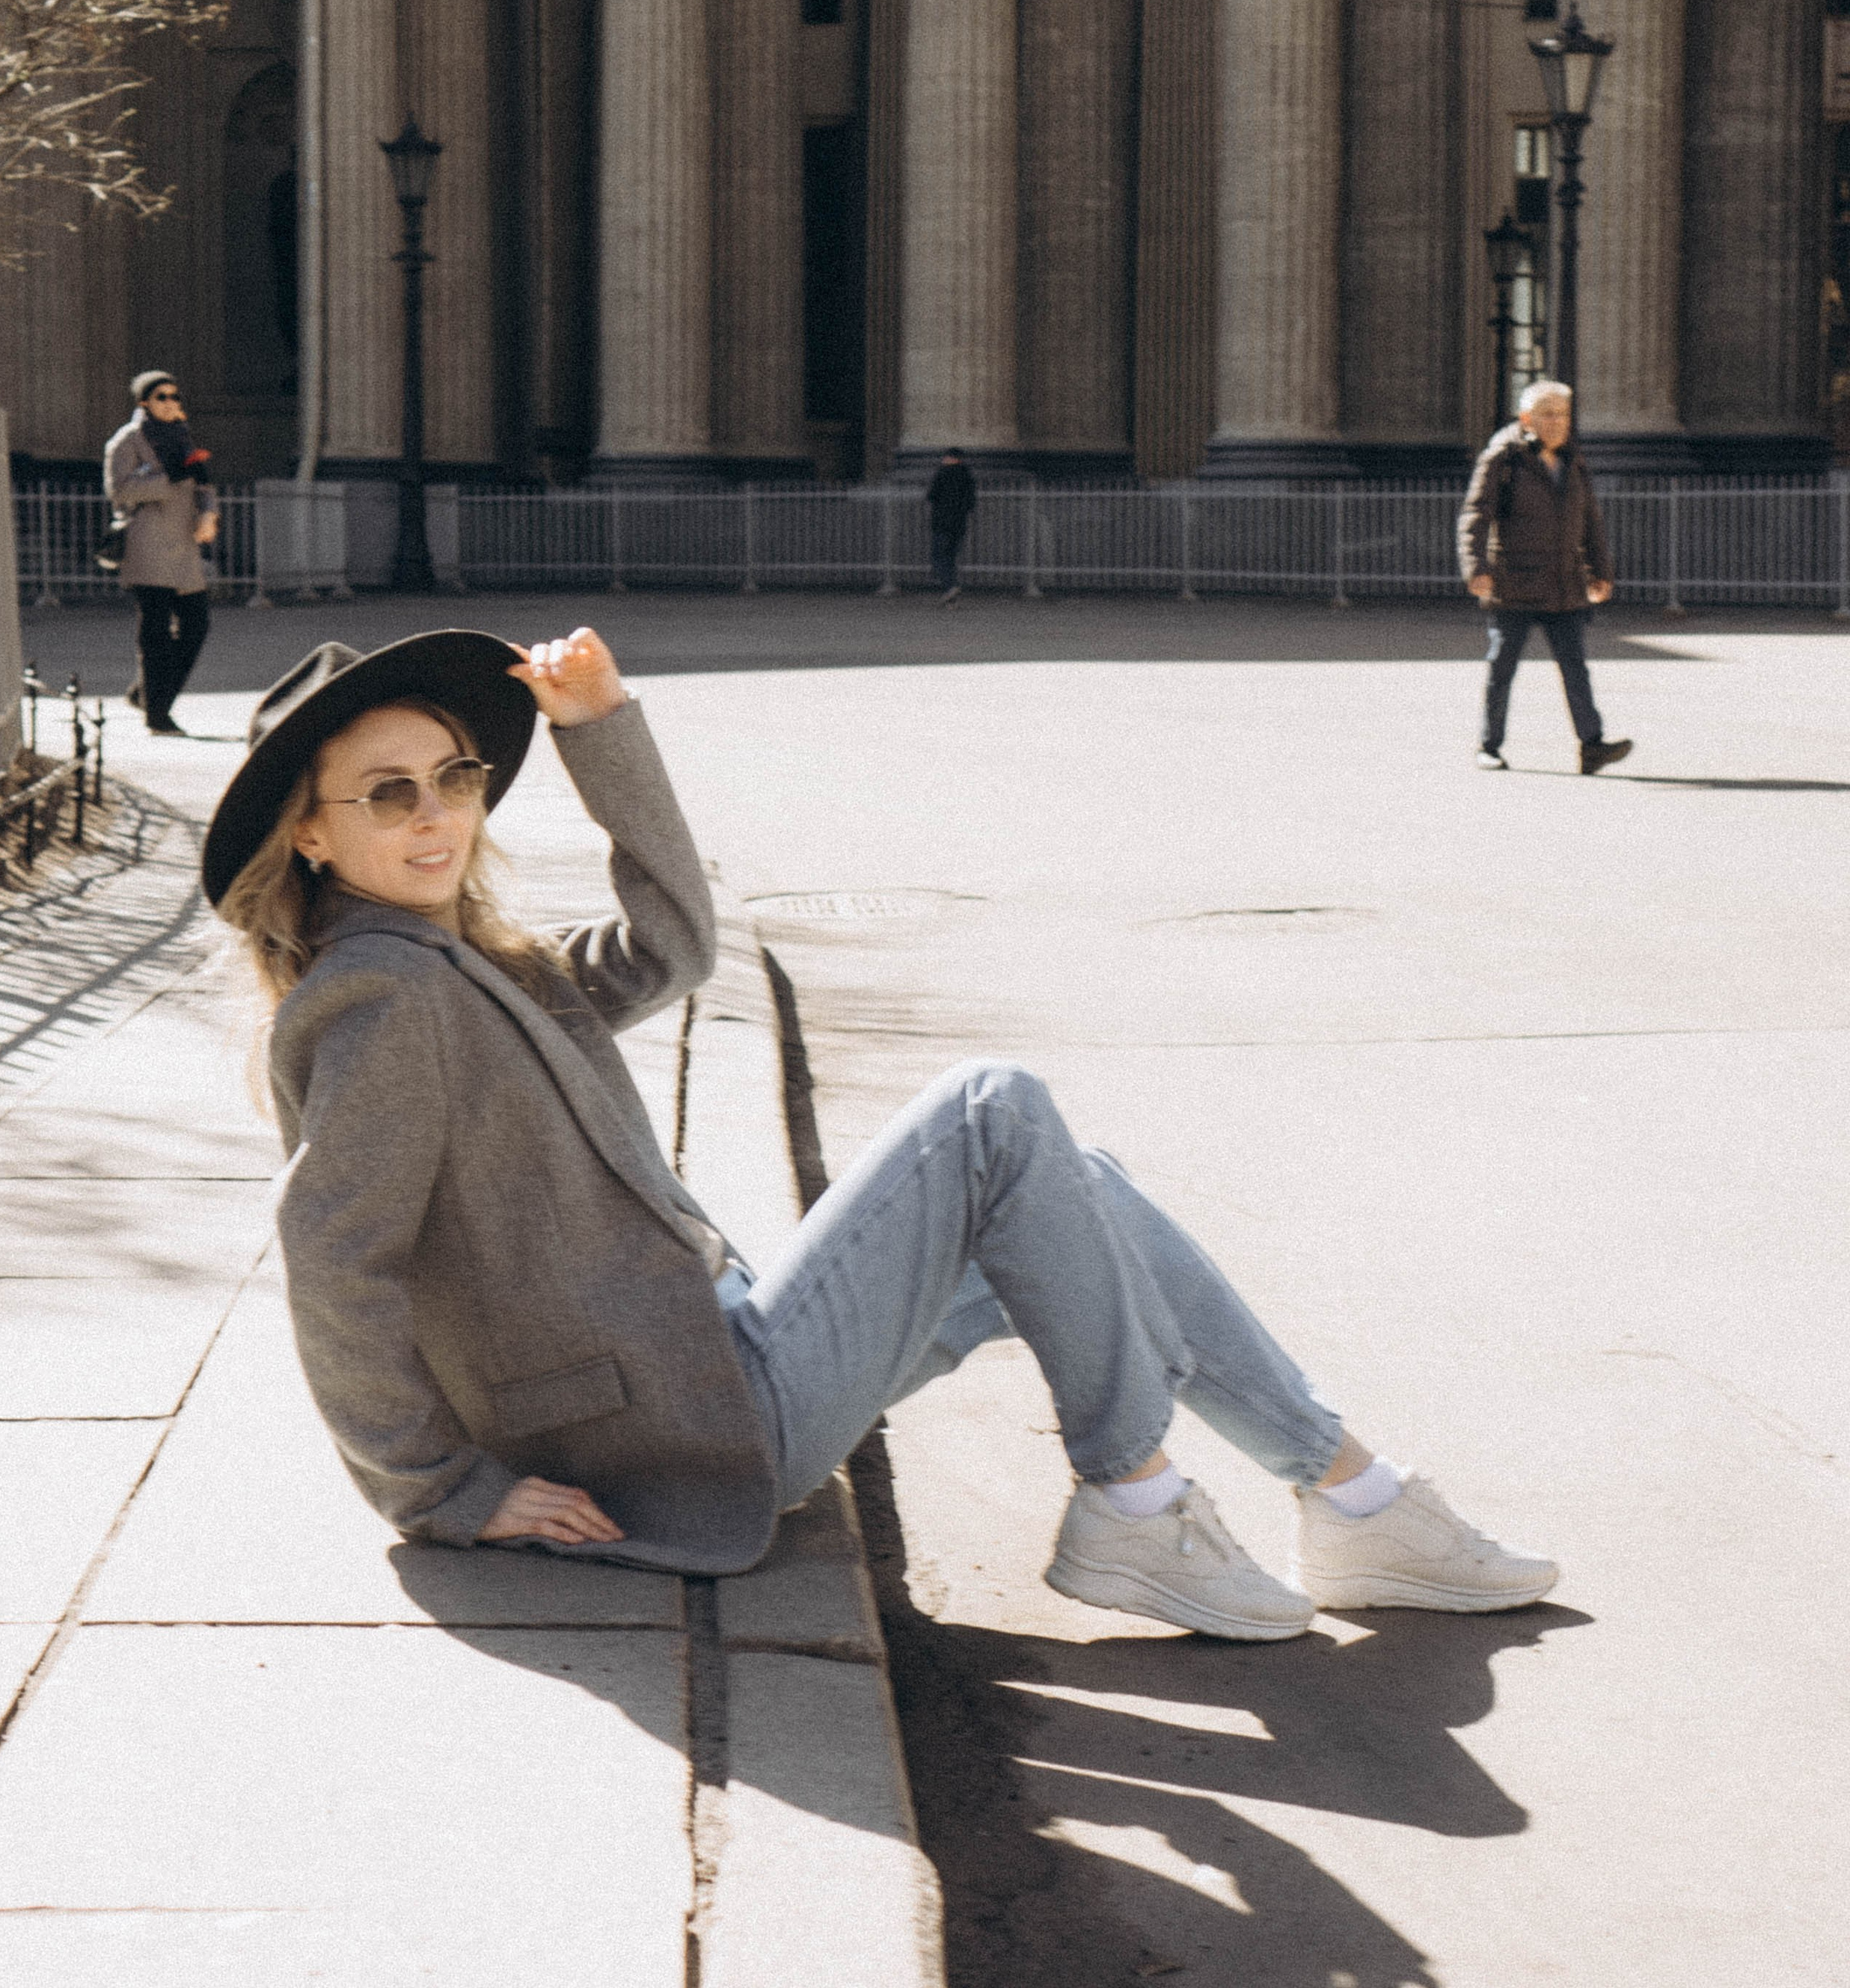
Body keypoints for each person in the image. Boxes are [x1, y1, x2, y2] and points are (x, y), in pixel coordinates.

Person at [204, 624, 1558, 1640]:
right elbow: (333, 1256)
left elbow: (674, 948)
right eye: (386, 794)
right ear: (311, 838)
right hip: (689, 1423)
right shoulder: (382, 997)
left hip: (713, 1363)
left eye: (451, 776)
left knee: (1077, 1186)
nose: (435, 814)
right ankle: (1136, 1502)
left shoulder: (472, 963)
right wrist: (441, 1488)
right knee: (991, 1109)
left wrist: (602, 730)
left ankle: (1357, 1500)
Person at [1458, 378, 1632, 775]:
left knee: (1576, 668)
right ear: (1527, 419)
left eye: (1564, 415)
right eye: (1548, 414)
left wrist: (1600, 571)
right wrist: (1476, 567)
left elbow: (1590, 519)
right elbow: (1476, 514)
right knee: (1502, 668)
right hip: (1515, 581)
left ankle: (1592, 745)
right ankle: (1489, 746)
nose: (1558, 422)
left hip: (1564, 583)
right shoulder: (1503, 458)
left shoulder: (1573, 460)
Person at [103, 369, 218, 737]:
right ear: (144, 402)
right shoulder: (127, 440)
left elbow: (203, 483)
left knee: (196, 624)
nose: (170, 403)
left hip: (184, 545)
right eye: (161, 397)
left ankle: (146, 693)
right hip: (147, 544)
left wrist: (209, 515)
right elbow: (119, 491)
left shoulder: (183, 437)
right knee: (155, 632)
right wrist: (167, 477)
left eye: (174, 396)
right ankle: (158, 713)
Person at [925, 449, 976, 604]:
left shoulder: (942, 473)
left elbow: (931, 495)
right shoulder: (967, 475)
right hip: (959, 523)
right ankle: (951, 598)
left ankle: (950, 586)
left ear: (950, 458)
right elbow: (971, 502)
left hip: (942, 523)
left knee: (938, 557)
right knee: (951, 558)